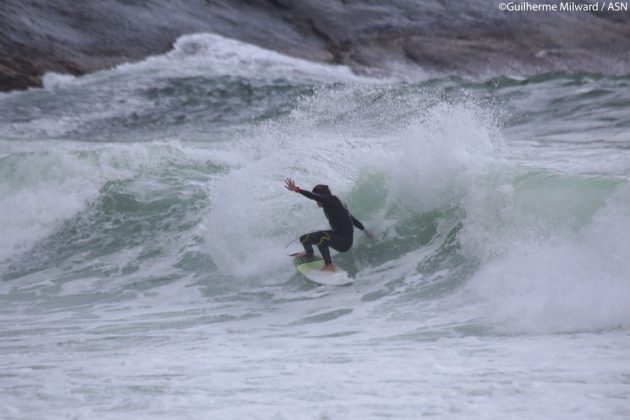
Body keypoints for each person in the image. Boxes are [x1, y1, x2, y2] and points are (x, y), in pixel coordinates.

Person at [285, 178, 370, 272]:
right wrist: (366, 232)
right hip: (337, 235)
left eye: (317, 198)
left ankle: (329, 265)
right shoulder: (334, 202)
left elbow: (313, 196)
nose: (316, 201)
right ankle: (309, 254)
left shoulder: (329, 201)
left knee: (321, 237)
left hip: (345, 242)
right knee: (304, 238)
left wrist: (297, 190)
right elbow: (353, 220)